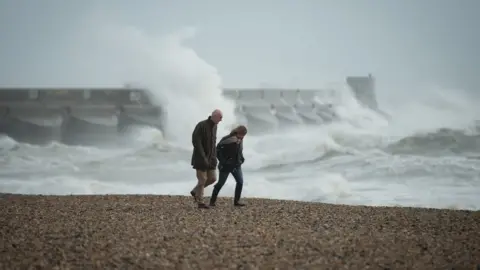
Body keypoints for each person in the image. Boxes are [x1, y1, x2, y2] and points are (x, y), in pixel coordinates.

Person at [190, 109, 223, 209]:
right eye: (220, 118)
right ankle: (200, 202)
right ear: (214, 116)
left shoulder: (215, 126)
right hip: (200, 158)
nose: (221, 120)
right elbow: (196, 141)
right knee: (202, 180)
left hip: (211, 158)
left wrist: (215, 155)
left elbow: (213, 143)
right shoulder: (201, 125)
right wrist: (203, 156)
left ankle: (196, 191)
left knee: (212, 178)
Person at [209, 125, 247, 207]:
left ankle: (236, 201)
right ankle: (212, 201)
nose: (242, 137)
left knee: (240, 182)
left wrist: (242, 158)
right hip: (225, 166)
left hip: (236, 165)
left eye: (244, 135)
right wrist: (223, 161)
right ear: (237, 132)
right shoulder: (227, 139)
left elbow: (239, 151)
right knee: (220, 183)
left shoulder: (240, 140)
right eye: (242, 135)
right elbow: (217, 150)